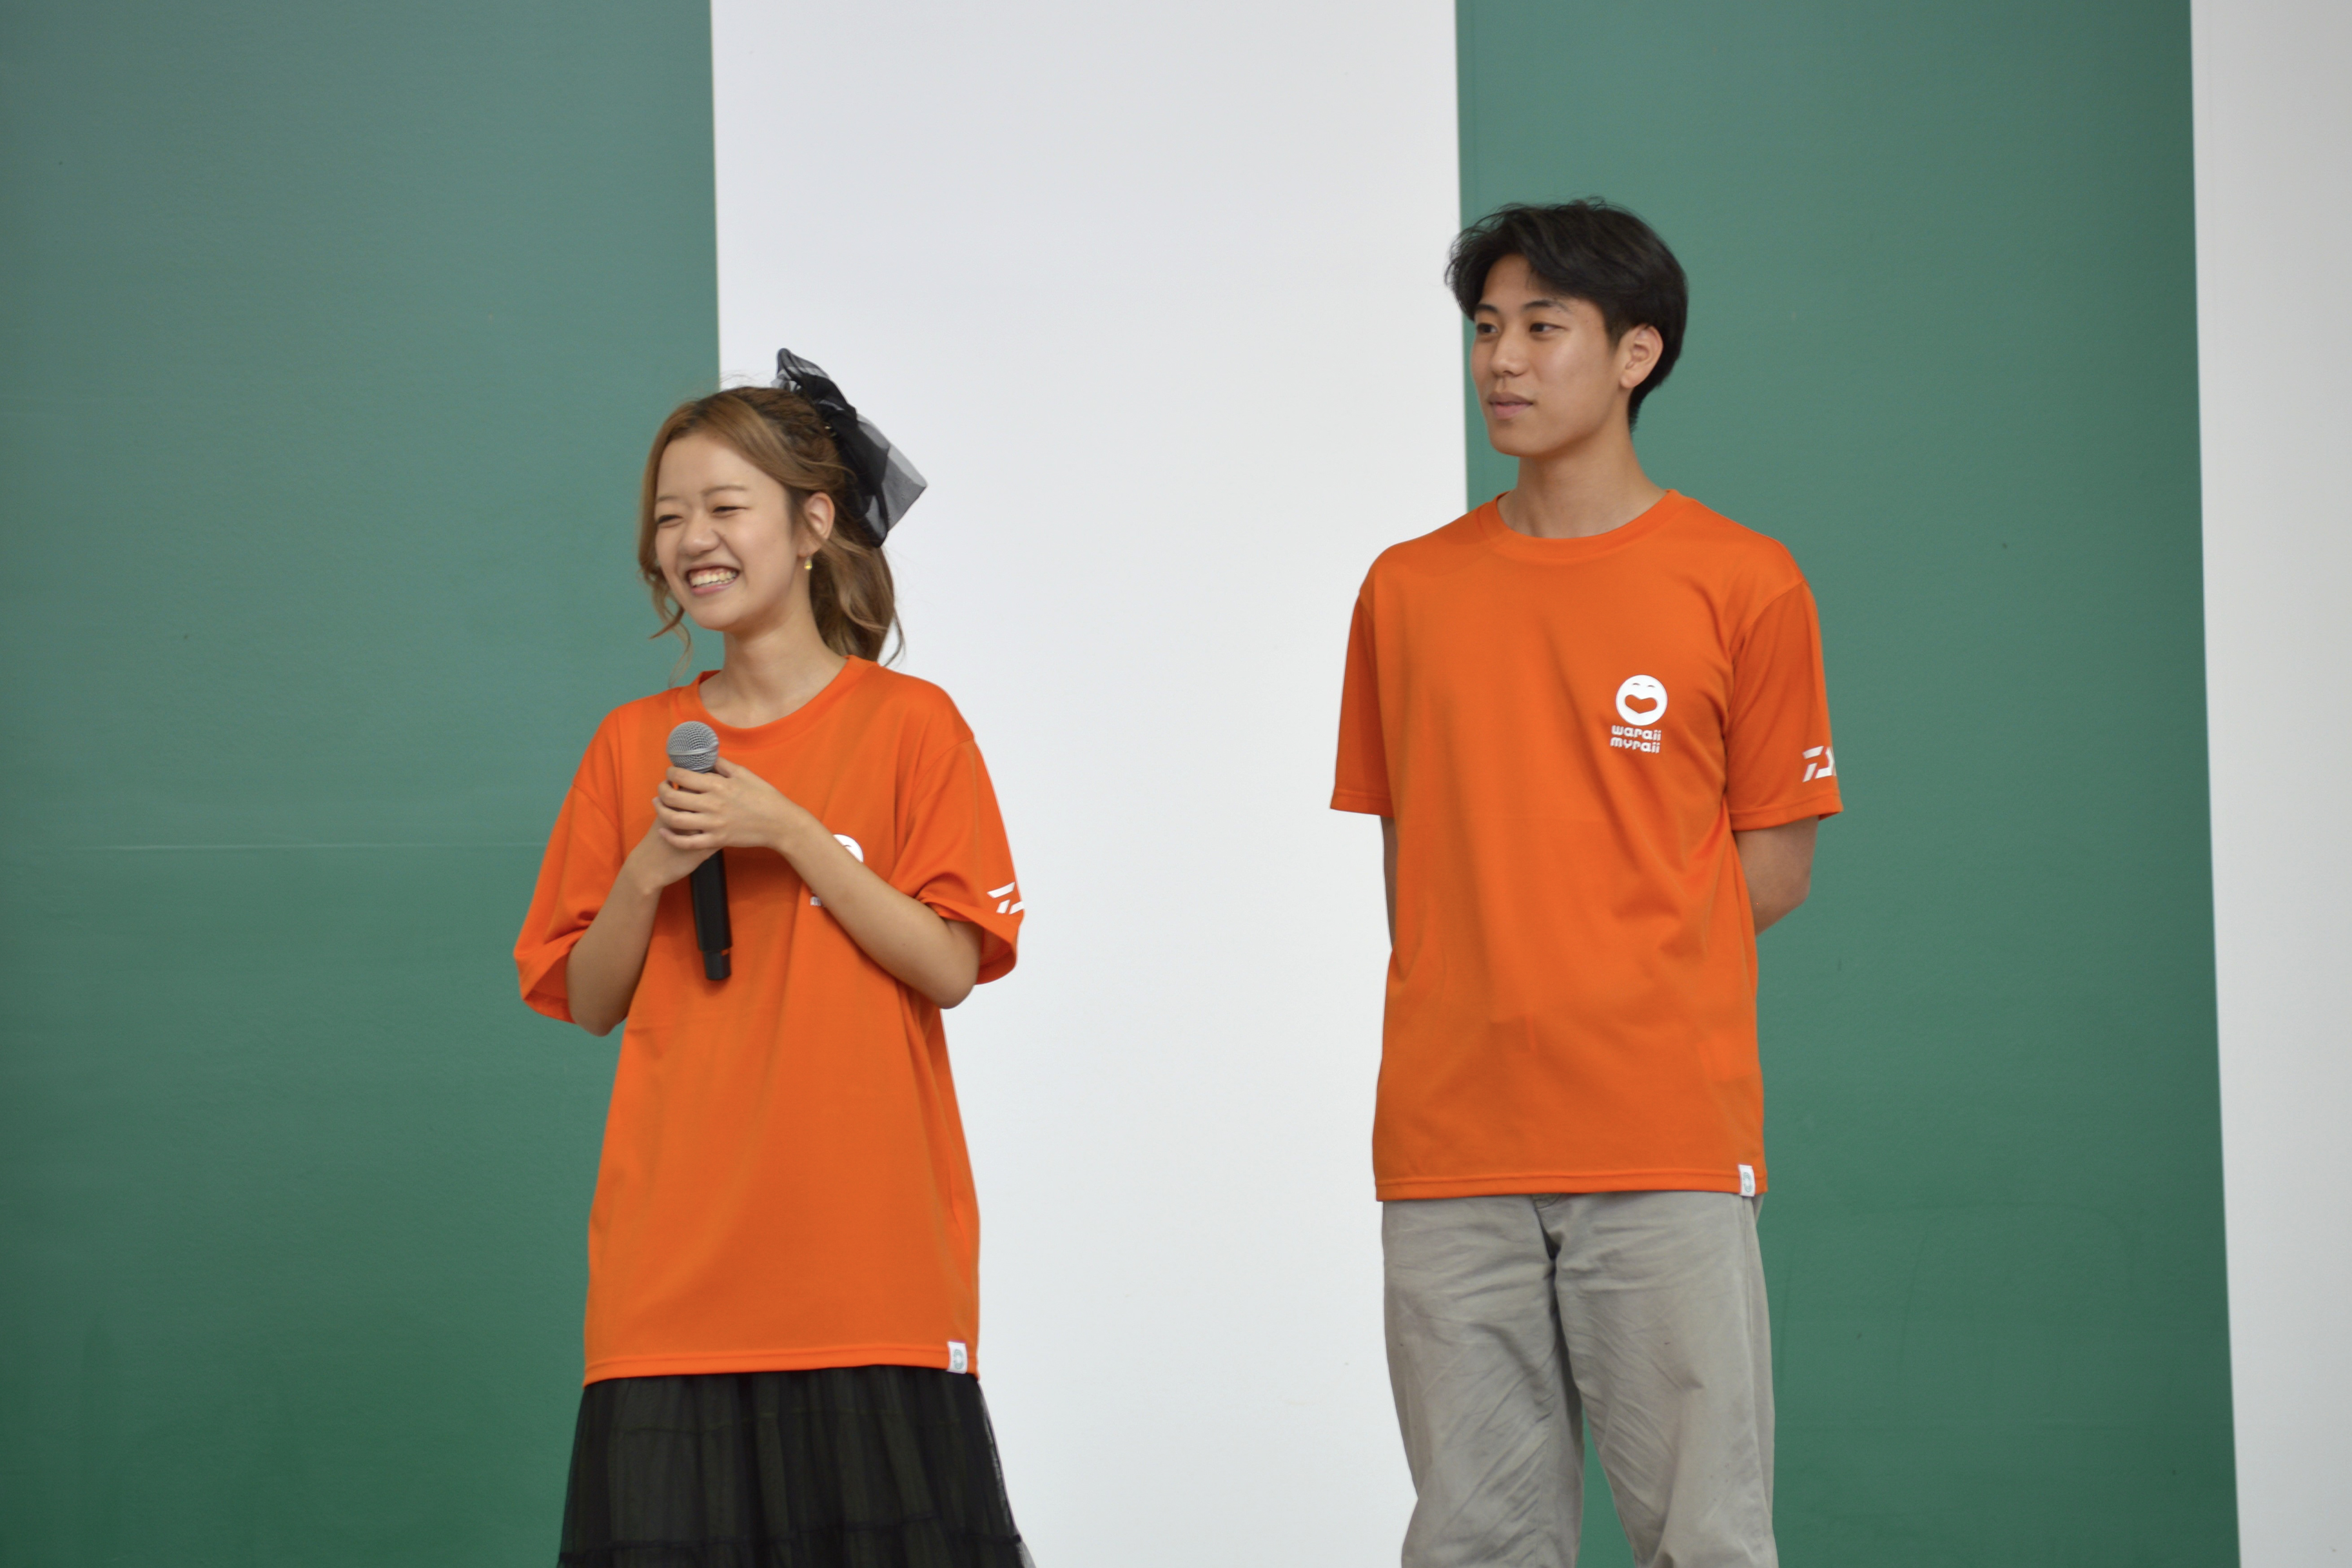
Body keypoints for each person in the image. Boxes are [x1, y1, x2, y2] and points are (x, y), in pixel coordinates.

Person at [1331, 201, 1843, 1567]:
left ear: (1635, 354)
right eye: (1486, 327)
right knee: (1475, 1541)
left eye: (1542, 328)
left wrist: (1609, 967)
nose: (1502, 359)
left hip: (1661, 1137)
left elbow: (1774, 867)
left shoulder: (1743, 583)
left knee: (1704, 1538)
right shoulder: (1406, 591)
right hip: (1451, 1146)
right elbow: (1413, 860)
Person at [514, 353, 1034, 1567]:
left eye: (723, 507)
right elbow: (587, 996)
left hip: (868, 1263)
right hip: (670, 1271)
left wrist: (792, 832)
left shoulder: (912, 726)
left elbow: (950, 965)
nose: (692, 539)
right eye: (668, 517)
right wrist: (649, 867)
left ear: (812, 526)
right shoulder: (632, 744)